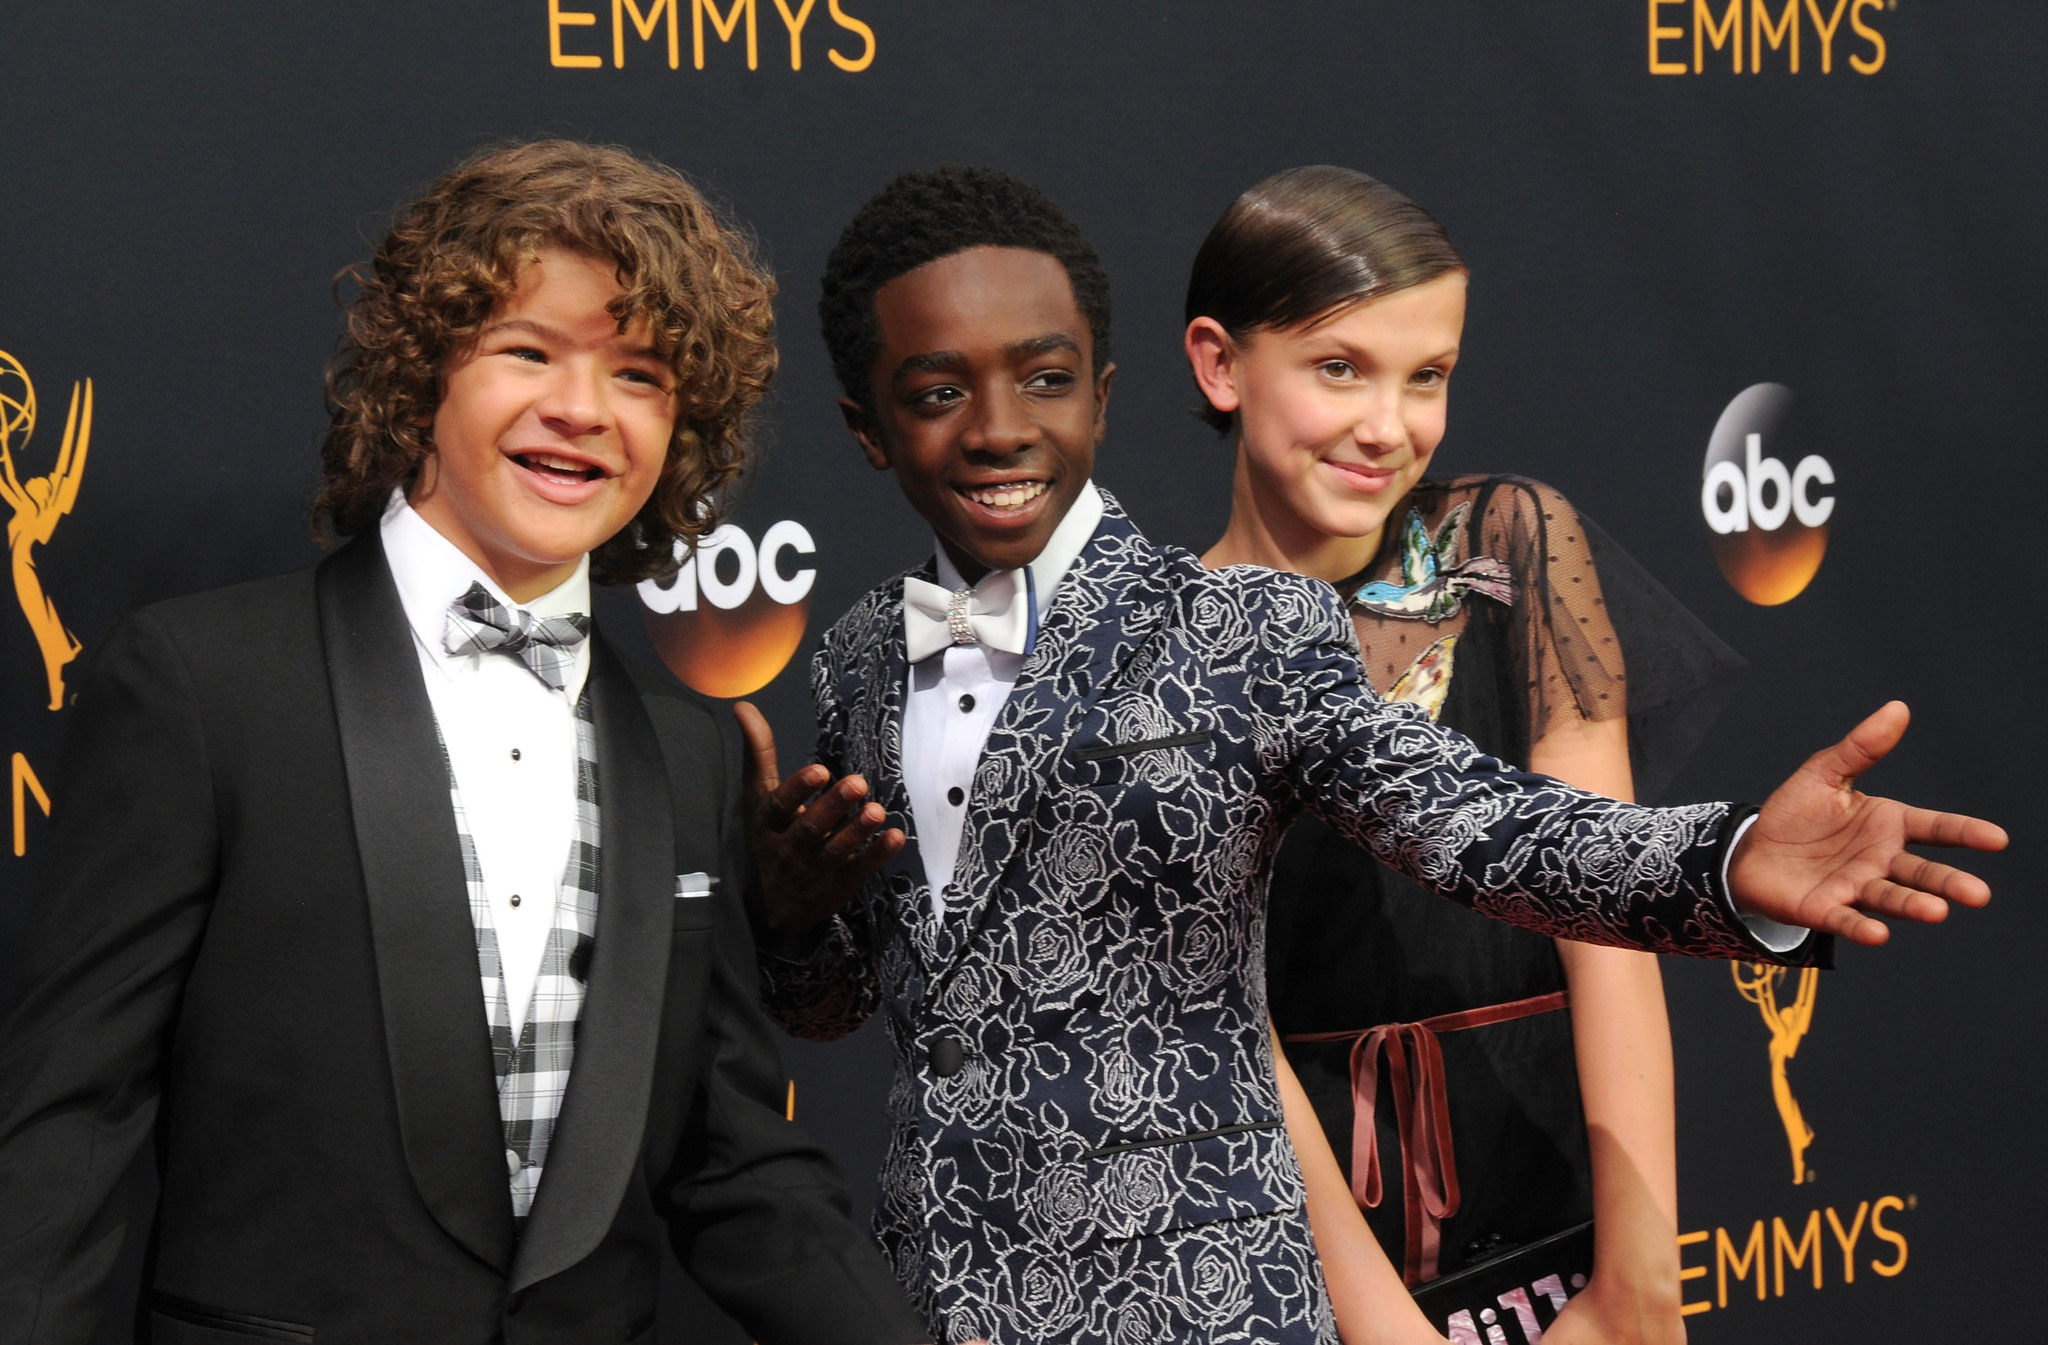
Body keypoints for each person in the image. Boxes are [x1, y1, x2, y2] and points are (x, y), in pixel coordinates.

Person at [738, 166, 2002, 1345]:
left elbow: (1492, 829)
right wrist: (793, 922)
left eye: (1043, 378)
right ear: (868, 427)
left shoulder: (1298, 610)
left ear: (1099, 393)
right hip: (992, 1285)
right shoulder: (854, 664)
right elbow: (882, 996)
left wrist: (1723, 862)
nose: (998, 429)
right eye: (939, 392)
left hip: (1289, 1265)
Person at [0, 141, 926, 1345]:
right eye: (527, 350)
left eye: (639, 373)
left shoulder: (690, 749)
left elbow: (734, 1159)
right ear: (420, 374)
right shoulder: (202, 684)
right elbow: (71, 1124)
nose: (580, 410)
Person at [1186, 165, 1752, 1345]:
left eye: (1426, 375)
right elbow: (1223, 1029)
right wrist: (1382, 1329)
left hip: (1557, 1204)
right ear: (1219, 363)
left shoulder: (1502, 545)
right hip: (1309, 1255)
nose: (1386, 424)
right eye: (1338, 367)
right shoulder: (1164, 645)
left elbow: (1608, 905)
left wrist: (1639, 1281)